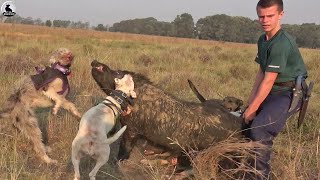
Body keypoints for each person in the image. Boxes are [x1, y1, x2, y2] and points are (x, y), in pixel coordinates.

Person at [242, 0, 308, 179]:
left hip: (289, 93)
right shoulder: (262, 40)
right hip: (271, 90)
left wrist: (253, 109)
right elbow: (261, 73)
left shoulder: (282, 42)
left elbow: (269, 80)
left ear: (281, 15)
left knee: (259, 129)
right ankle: (243, 172)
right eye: (261, 16)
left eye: (270, 16)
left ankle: (259, 176)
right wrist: (250, 103)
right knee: (243, 125)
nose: (265, 20)